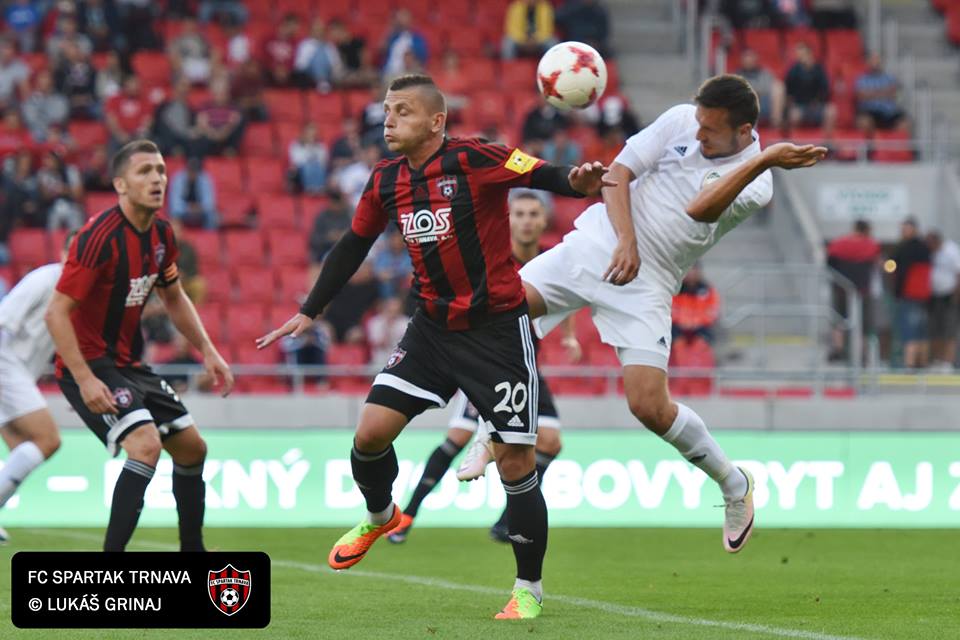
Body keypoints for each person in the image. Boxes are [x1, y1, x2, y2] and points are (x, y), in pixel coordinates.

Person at [256, 73, 611, 619]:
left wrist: (580, 180)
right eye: (386, 110)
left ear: (436, 121)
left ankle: (528, 590)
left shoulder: (475, 158)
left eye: (401, 111)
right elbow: (353, 245)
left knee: (517, 460)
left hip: (496, 329)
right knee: (370, 434)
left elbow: (543, 174)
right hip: (432, 329)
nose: (388, 120)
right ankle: (381, 517)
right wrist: (309, 310)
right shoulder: (385, 180)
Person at [519, 74, 826, 554]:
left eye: (711, 130)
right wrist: (625, 239)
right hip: (602, 240)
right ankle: (485, 428)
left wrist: (764, 158)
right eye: (699, 122)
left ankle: (733, 484)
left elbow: (700, 211)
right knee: (500, 309)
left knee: (648, 406)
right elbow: (616, 174)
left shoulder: (758, 183)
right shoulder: (682, 118)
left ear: (744, 132)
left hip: (652, 280)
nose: (698, 133)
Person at [44, 139, 234, 552]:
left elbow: (174, 296)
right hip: (91, 367)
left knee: (192, 449)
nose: (157, 179)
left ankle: (192, 552)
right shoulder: (98, 237)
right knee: (146, 446)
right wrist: (84, 378)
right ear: (120, 185)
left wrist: (208, 350)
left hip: (132, 365)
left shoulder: (163, 235)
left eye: (161, 170)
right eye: (144, 171)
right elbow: (56, 313)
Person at [386, 189, 578, 545]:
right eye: (518, 214)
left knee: (550, 442)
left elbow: (563, 297)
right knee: (458, 438)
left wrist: (569, 336)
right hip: (485, 367)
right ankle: (407, 515)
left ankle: (506, 521)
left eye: (533, 214)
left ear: (542, 221)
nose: (526, 221)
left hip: (524, 369)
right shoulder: (494, 261)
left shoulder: (551, 263)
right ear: (509, 220)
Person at [0, 234, 73, 542]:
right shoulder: (44, 279)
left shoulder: (77, 296)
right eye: (77, 251)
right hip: (5, 365)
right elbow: (3, 320)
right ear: (64, 251)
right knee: (47, 439)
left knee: (22, 449)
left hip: (16, 373)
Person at [826, 219, 880, 362]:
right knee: (863, 323)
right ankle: (862, 353)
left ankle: (837, 349)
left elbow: (830, 262)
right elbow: (874, 261)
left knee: (839, 321)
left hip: (842, 288)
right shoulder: (870, 244)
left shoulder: (840, 243)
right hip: (862, 290)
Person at [890, 218, 931, 369]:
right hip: (922, 294)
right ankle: (922, 361)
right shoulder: (924, 247)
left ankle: (910, 362)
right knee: (921, 329)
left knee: (909, 328)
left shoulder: (906, 248)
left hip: (909, 293)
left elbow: (896, 268)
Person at [784, 42, 835, 138]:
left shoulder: (819, 69)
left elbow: (825, 89)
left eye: (802, 54)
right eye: (798, 54)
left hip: (817, 105)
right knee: (794, 115)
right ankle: (794, 142)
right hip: (800, 106)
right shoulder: (794, 70)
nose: (800, 56)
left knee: (831, 111)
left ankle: (827, 142)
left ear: (809, 54)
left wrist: (818, 101)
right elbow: (789, 90)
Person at [926, 230, 960, 370]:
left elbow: (958, 272)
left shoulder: (951, 250)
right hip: (934, 295)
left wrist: (956, 295)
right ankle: (937, 360)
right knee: (935, 329)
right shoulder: (930, 253)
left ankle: (948, 361)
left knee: (949, 329)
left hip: (949, 295)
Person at [855, 53, 907, 134]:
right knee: (864, 122)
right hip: (870, 112)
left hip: (889, 112)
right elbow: (862, 95)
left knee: (904, 123)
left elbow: (894, 94)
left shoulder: (889, 77)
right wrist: (884, 92)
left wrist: (871, 93)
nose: (875, 62)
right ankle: (869, 146)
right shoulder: (862, 79)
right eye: (873, 60)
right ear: (868, 62)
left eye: (877, 59)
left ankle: (899, 146)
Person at [671, 261, 720, 344]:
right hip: (678, 326)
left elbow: (713, 311)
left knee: (705, 339)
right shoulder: (676, 290)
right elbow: (671, 309)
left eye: (694, 269)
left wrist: (695, 322)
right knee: (674, 339)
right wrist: (684, 321)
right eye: (689, 270)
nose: (691, 273)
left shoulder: (708, 290)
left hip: (700, 327)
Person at [735, 48, 784, 129]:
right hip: (745, 103)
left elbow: (768, 87)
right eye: (746, 58)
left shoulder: (765, 73)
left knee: (778, 87)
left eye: (751, 58)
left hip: (764, 101)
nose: (749, 61)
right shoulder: (737, 75)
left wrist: (757, 91)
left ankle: (776, 123)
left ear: (755, 60)